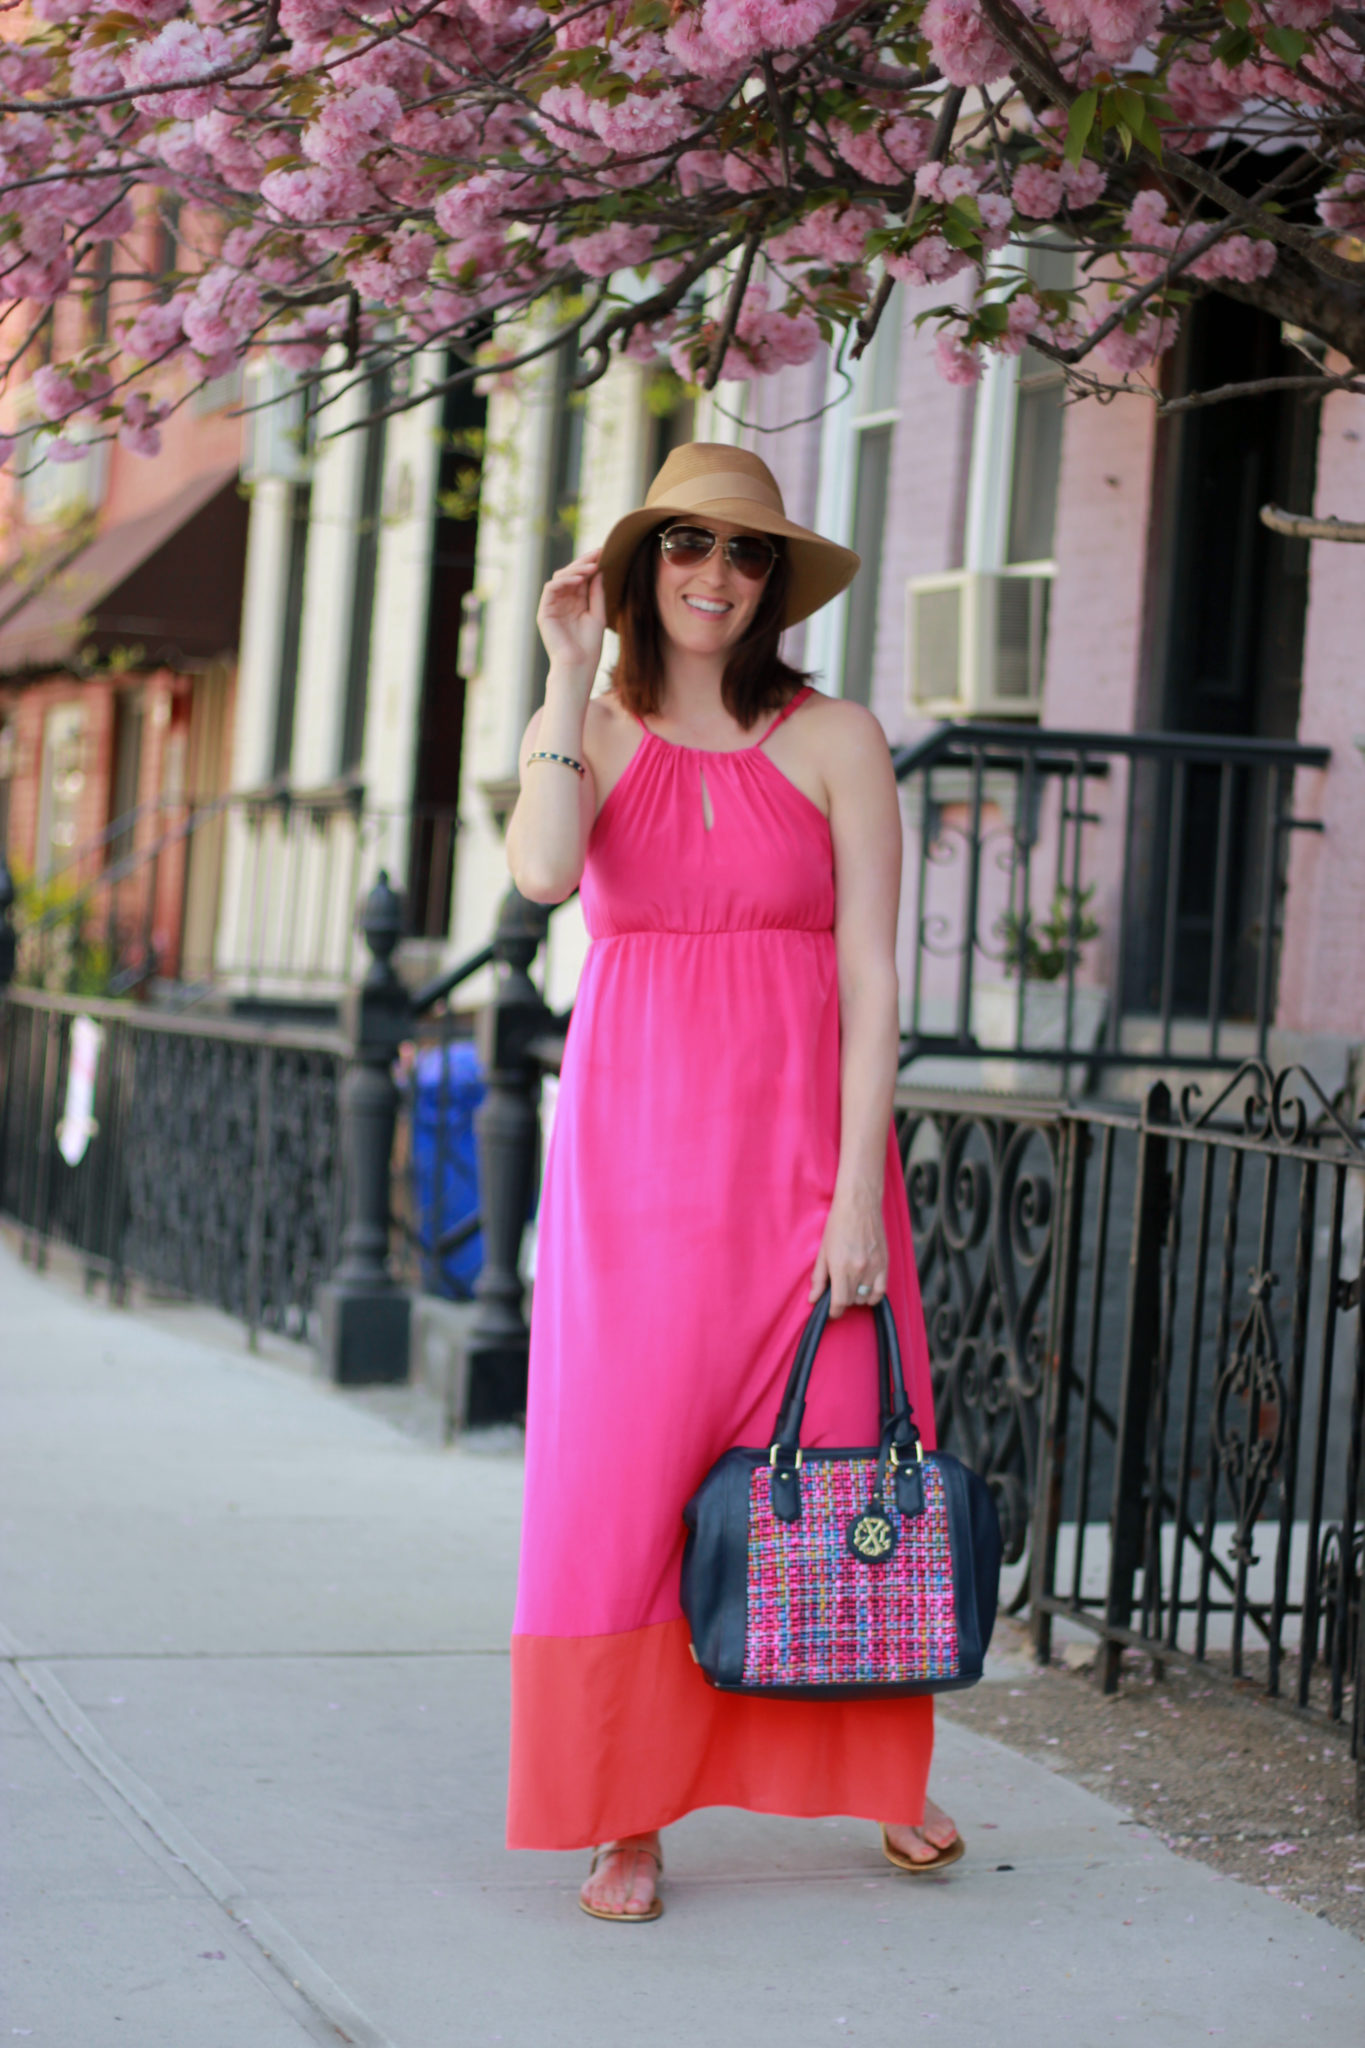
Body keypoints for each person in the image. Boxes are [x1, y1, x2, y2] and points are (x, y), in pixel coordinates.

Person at [503, 442, 961, 1923]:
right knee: (625, 1483)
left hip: (806, 1172)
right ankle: (624, 1812)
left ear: (774, 580)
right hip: (634, 1180)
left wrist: (855, 1197)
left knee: (839, 1459)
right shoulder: (591, 726)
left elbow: (875, 977)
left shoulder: (836, 738)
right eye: (688, 544)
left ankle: (875, 1770)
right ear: (644, 564)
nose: (717, 574)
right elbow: (542, 876)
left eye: (747, 551)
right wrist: (566, 670)